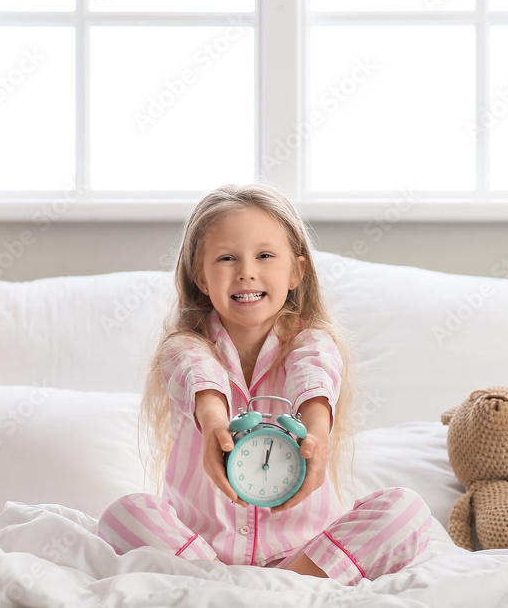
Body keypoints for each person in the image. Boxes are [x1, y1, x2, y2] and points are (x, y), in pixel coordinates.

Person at [97, 183, 431, 585]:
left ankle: (267, 587)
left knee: (407, 510)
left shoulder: (312, 343)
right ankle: (260, 590)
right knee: (125, 514)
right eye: (226, 258)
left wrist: (317, 436)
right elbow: (200, 379)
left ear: (296, 272)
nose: (246, 271)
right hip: (201, 550)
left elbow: (314, 381)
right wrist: (213, 424)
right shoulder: (183, 347)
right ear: (200, 278)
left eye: (265, 255)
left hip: (304, 554)